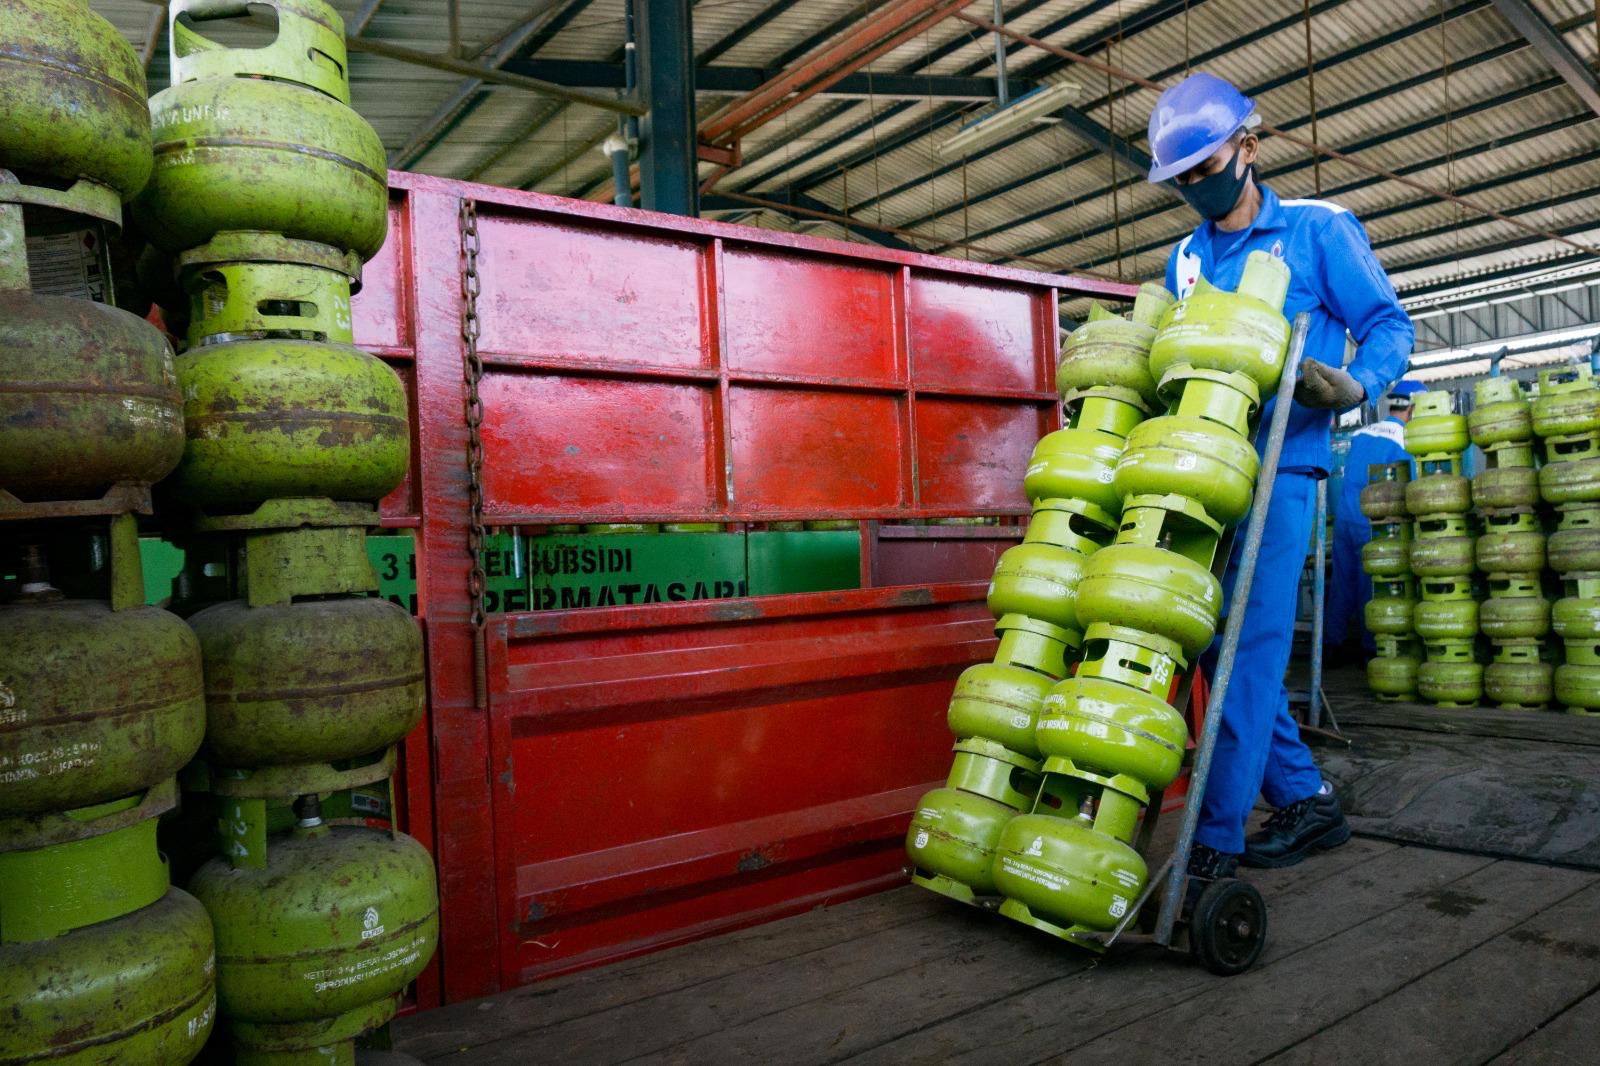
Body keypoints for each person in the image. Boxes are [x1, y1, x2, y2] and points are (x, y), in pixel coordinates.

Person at [1146, 74, 1414, 877]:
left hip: (1280, 475)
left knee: (1248, 657)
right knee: (1204, 644)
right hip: (1200, 476)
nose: (1196, 187)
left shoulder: (1317, 231)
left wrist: (1358, 383)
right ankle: (1307, 801)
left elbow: (1387, 324)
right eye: (1181, 179)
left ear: (1249, 149)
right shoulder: (1184, 261)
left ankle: (1212, 844)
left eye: (1205, 168)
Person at [1325, 379, 1425, 662]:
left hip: (1345, 516)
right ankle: (1372, 648)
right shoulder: (1404, 439)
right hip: (1374, 521)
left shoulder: (1362, 433)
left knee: (1343, 583)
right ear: (1413, 408)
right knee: (1374, 582)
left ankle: (1333, 644)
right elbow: (1414, 487)